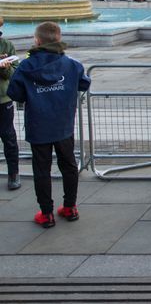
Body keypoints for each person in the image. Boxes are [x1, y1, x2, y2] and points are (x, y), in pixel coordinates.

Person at [7, 22, 90, 228]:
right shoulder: (71, 64)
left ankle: (46, 213)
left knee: (42, 169)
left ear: (37, 40)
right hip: (63, 123)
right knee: (69, 165)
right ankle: (70, 207)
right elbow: (84, 83)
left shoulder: (26, 66)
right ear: (59, 39)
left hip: (38, 124)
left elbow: (14, 93)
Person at [0, 17, 21, 190]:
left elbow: (14, 73)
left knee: (8, 137)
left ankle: (13, 173)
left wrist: (5, 67)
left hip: (3, 99)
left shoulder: (7, 45)